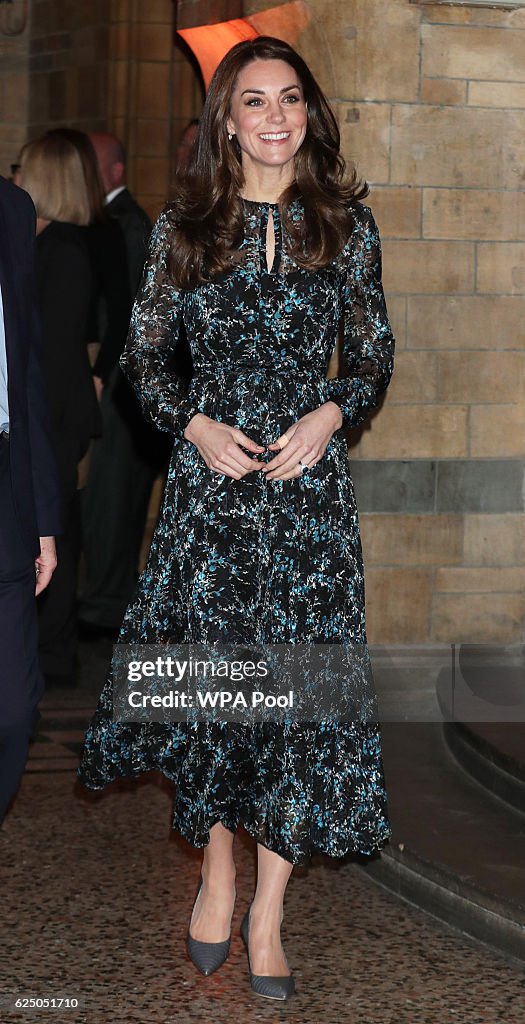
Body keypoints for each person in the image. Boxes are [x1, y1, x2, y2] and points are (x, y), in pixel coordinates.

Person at [78, 37, 395, 1001]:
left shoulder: (347, 226)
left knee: (293, 703)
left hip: (305, 500)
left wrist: (333, 411)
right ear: (225, 118)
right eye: (252, 101)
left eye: (288, 99)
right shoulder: (188, 223)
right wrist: (196, 424)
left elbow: (374, 356)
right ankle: (216, 869)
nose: (272, 117)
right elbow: (142, 359)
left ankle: (268, 913)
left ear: (307, 112)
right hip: (213, 500)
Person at [78, 132, 173, 635]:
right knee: (101, 496)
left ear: (114, 171)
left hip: (124, 380)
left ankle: (108, 603)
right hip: (118, 377)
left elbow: (137, 316)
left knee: (115, 494)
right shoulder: (113, 221)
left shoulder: (130, 223)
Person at [19, 133, 101, 685]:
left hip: (55, 413)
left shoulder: (65, 249)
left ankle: (55, 654)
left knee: (57, 534)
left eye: (23, 169)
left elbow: (57, 347)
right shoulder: (40, 242)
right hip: (45, 410)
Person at [0, 173, 61, 821]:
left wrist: (44, 517)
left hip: (6, 491)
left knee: (13, 714)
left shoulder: (13, 209)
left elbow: (28, 374)